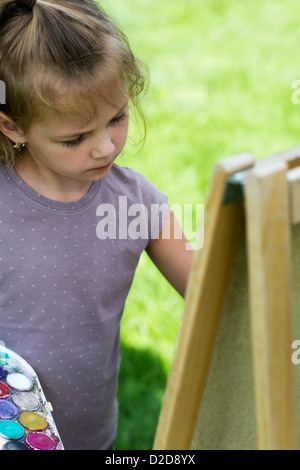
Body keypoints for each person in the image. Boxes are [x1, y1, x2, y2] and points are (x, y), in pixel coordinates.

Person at [0, 0, 193, 450]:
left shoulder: (134, 203)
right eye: (75, 138)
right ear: (12, 126)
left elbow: (212, 290)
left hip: (91, 434)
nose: (106, 147)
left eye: (117, 118)